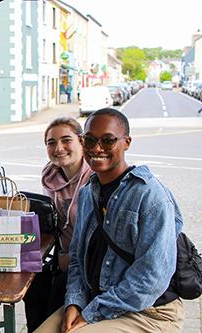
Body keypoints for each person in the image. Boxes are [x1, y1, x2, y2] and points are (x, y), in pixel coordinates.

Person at [35, 108, 183, 333]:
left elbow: (150, 278)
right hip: (97, 299)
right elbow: (76, 258)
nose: (96, 148)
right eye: (90, 140)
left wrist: (93, 312)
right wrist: (75, 302)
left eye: (108, 140)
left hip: (150, 312)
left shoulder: (151, 196)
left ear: (126, 142)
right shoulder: (87, 193)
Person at [24, 117, 92, 332]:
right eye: (51, 142)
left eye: (66, 140)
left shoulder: (95, 178)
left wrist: (70, 258)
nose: (58, 148)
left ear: (81, 141)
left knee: (54, 301)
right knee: (33, 289)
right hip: (61, 258)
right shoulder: (51, 176)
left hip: (86, 265)